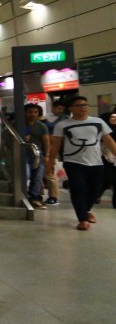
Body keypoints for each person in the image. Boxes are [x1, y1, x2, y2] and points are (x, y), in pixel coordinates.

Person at [49, 96, 116, 230]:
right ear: (71, 108)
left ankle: (86, 210)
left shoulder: (98, 122)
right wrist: (50, 162)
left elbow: (108, 141)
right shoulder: (62, 125)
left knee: (95, 190)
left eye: (85, 105)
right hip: (73, 162)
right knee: (78, 188)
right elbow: (55, 145)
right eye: (79, 105)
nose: (83, 108)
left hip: (96, 162)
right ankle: (82, 219)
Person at [39, 105, 60, 205]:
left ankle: (53, 197)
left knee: (50, 175)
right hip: (41, 153)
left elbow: (53, 141)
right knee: (40, 175)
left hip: (48, 153)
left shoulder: (47, 126)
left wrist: (50, 155)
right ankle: (42, 195)